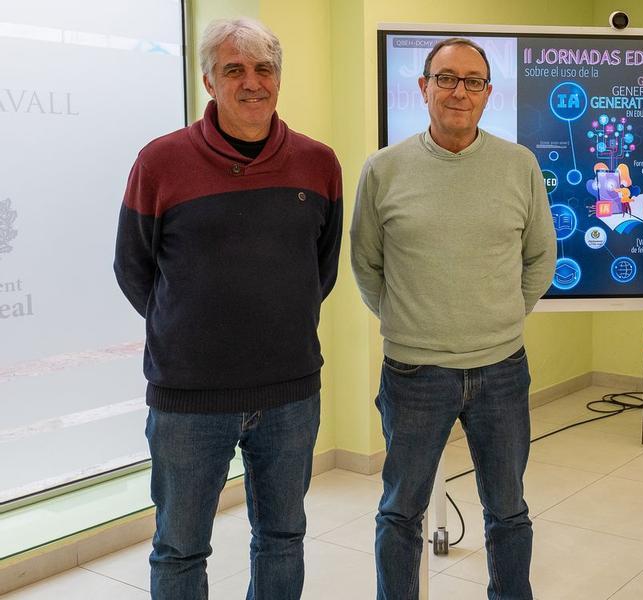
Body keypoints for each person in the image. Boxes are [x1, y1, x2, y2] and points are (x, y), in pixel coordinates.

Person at [113, 17, 342, 600]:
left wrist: (271, 319)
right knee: (181, 548)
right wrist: (193, 327)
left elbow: (321, 269)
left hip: (290, 394)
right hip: (189, 399)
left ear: (278, 79)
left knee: (283, 537)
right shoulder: (161, 162)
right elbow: (133, 269)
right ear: (210, 81)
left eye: (264, 68)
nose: (252, 82)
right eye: (234, 69)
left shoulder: (319, 163)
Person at [350, 37, 555, 600]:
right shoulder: (384, 170)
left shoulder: (519, 166)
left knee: (508, 511)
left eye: (472, 81)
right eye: (446, 78)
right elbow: (366, 263)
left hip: (501, 370)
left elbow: (541, 257)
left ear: (488, 93)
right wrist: (405, 320)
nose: (459, 91)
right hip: (414, 373)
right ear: (423, 87)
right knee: (400, 512)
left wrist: (508, 314)